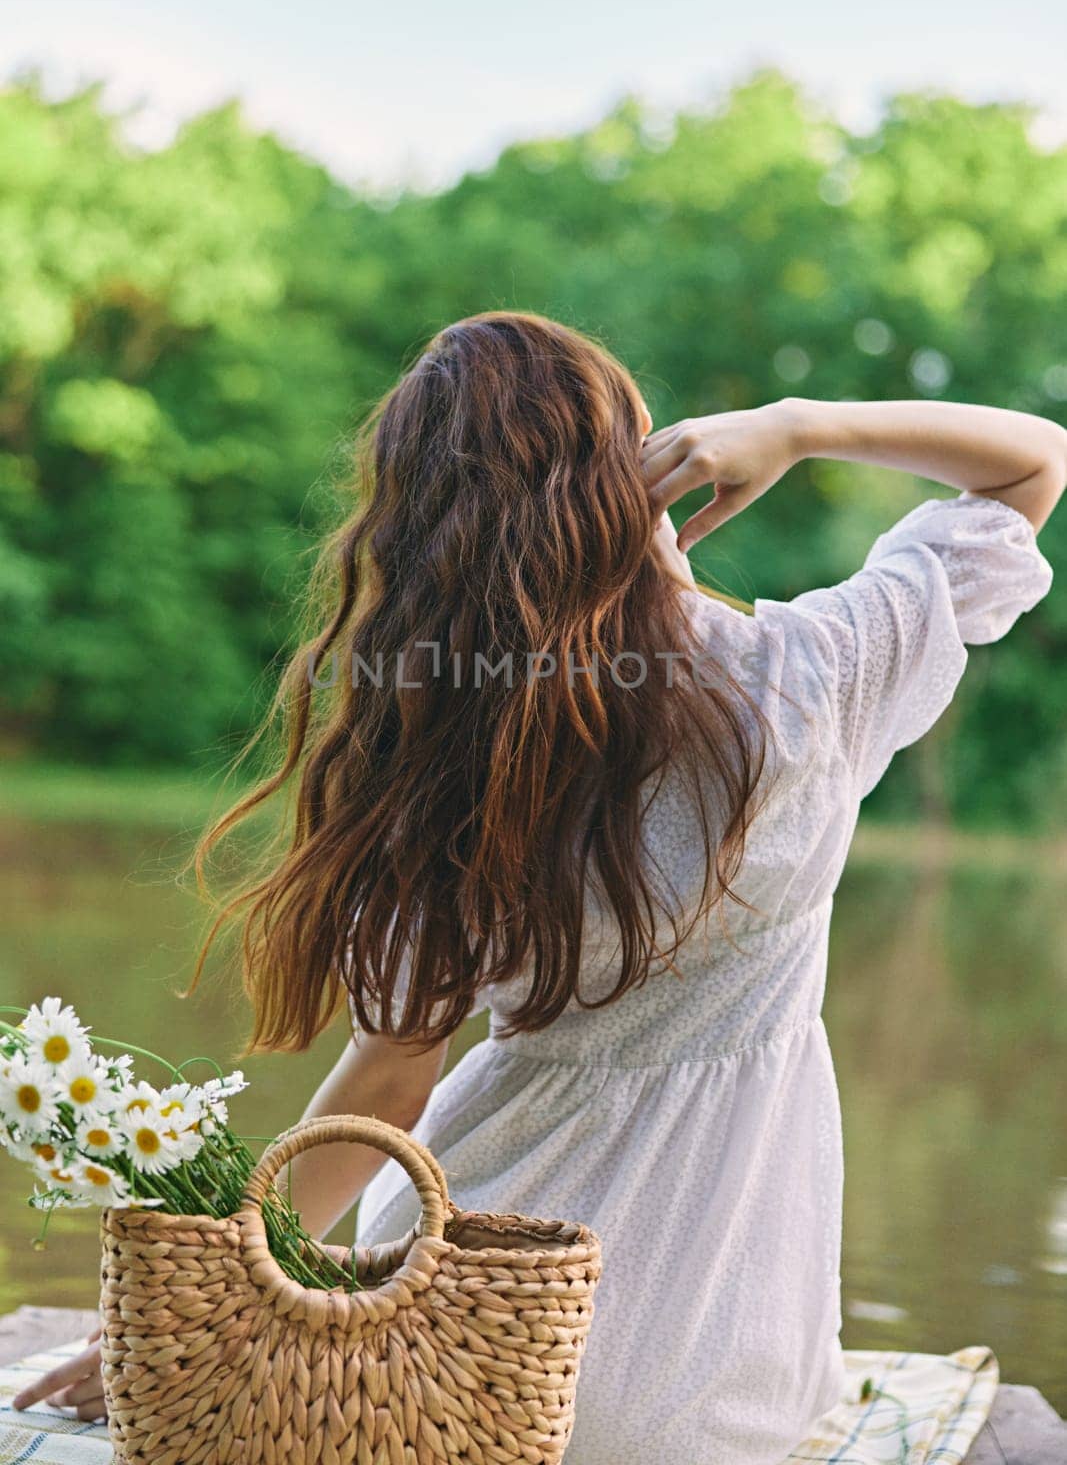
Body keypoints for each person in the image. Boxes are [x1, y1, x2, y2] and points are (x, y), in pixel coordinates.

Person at [16, 313, 1062, 1465]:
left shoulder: (447, 761)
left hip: (463, 1335)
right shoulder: (810, 683)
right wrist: (795, 426)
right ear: (641, 482)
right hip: (717, 1381)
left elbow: (390, 1083)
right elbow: (1027, 460)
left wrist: (189, 1326)